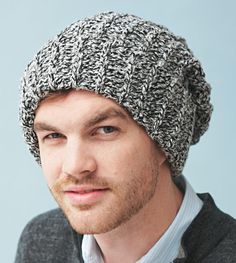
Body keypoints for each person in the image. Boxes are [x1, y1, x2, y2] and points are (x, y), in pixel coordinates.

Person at [15, 12, 236, 263]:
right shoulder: (42, 242)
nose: (75, 166)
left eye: (106, 130)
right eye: (54, 135)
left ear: (165, 142)